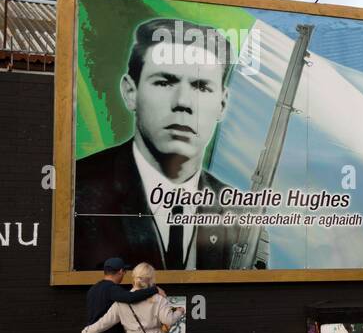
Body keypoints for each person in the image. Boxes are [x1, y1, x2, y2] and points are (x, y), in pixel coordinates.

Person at [73, 17, 256, 271]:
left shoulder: (240, 217)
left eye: (201, 86)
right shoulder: (77, 191)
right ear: (130, 92)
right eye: (164, 82)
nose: (183, 102)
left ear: (222, 104)